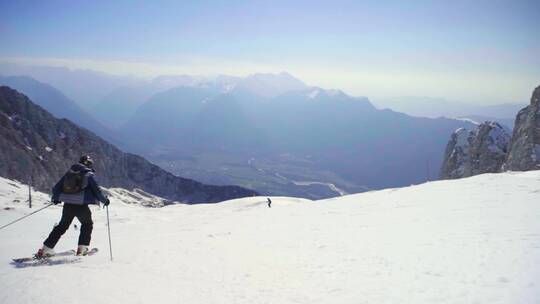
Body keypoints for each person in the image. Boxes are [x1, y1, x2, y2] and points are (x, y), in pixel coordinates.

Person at [37, 155, 110, 257]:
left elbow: (56, 187)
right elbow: (96, 191)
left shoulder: (70, 172)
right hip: (81, 206)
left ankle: (45, 249)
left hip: (68, 206)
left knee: (62, 226)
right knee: (87, 224)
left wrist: (56, 198)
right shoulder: (88, 174)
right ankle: (82, 249)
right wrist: (105, 201)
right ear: (89, 164)